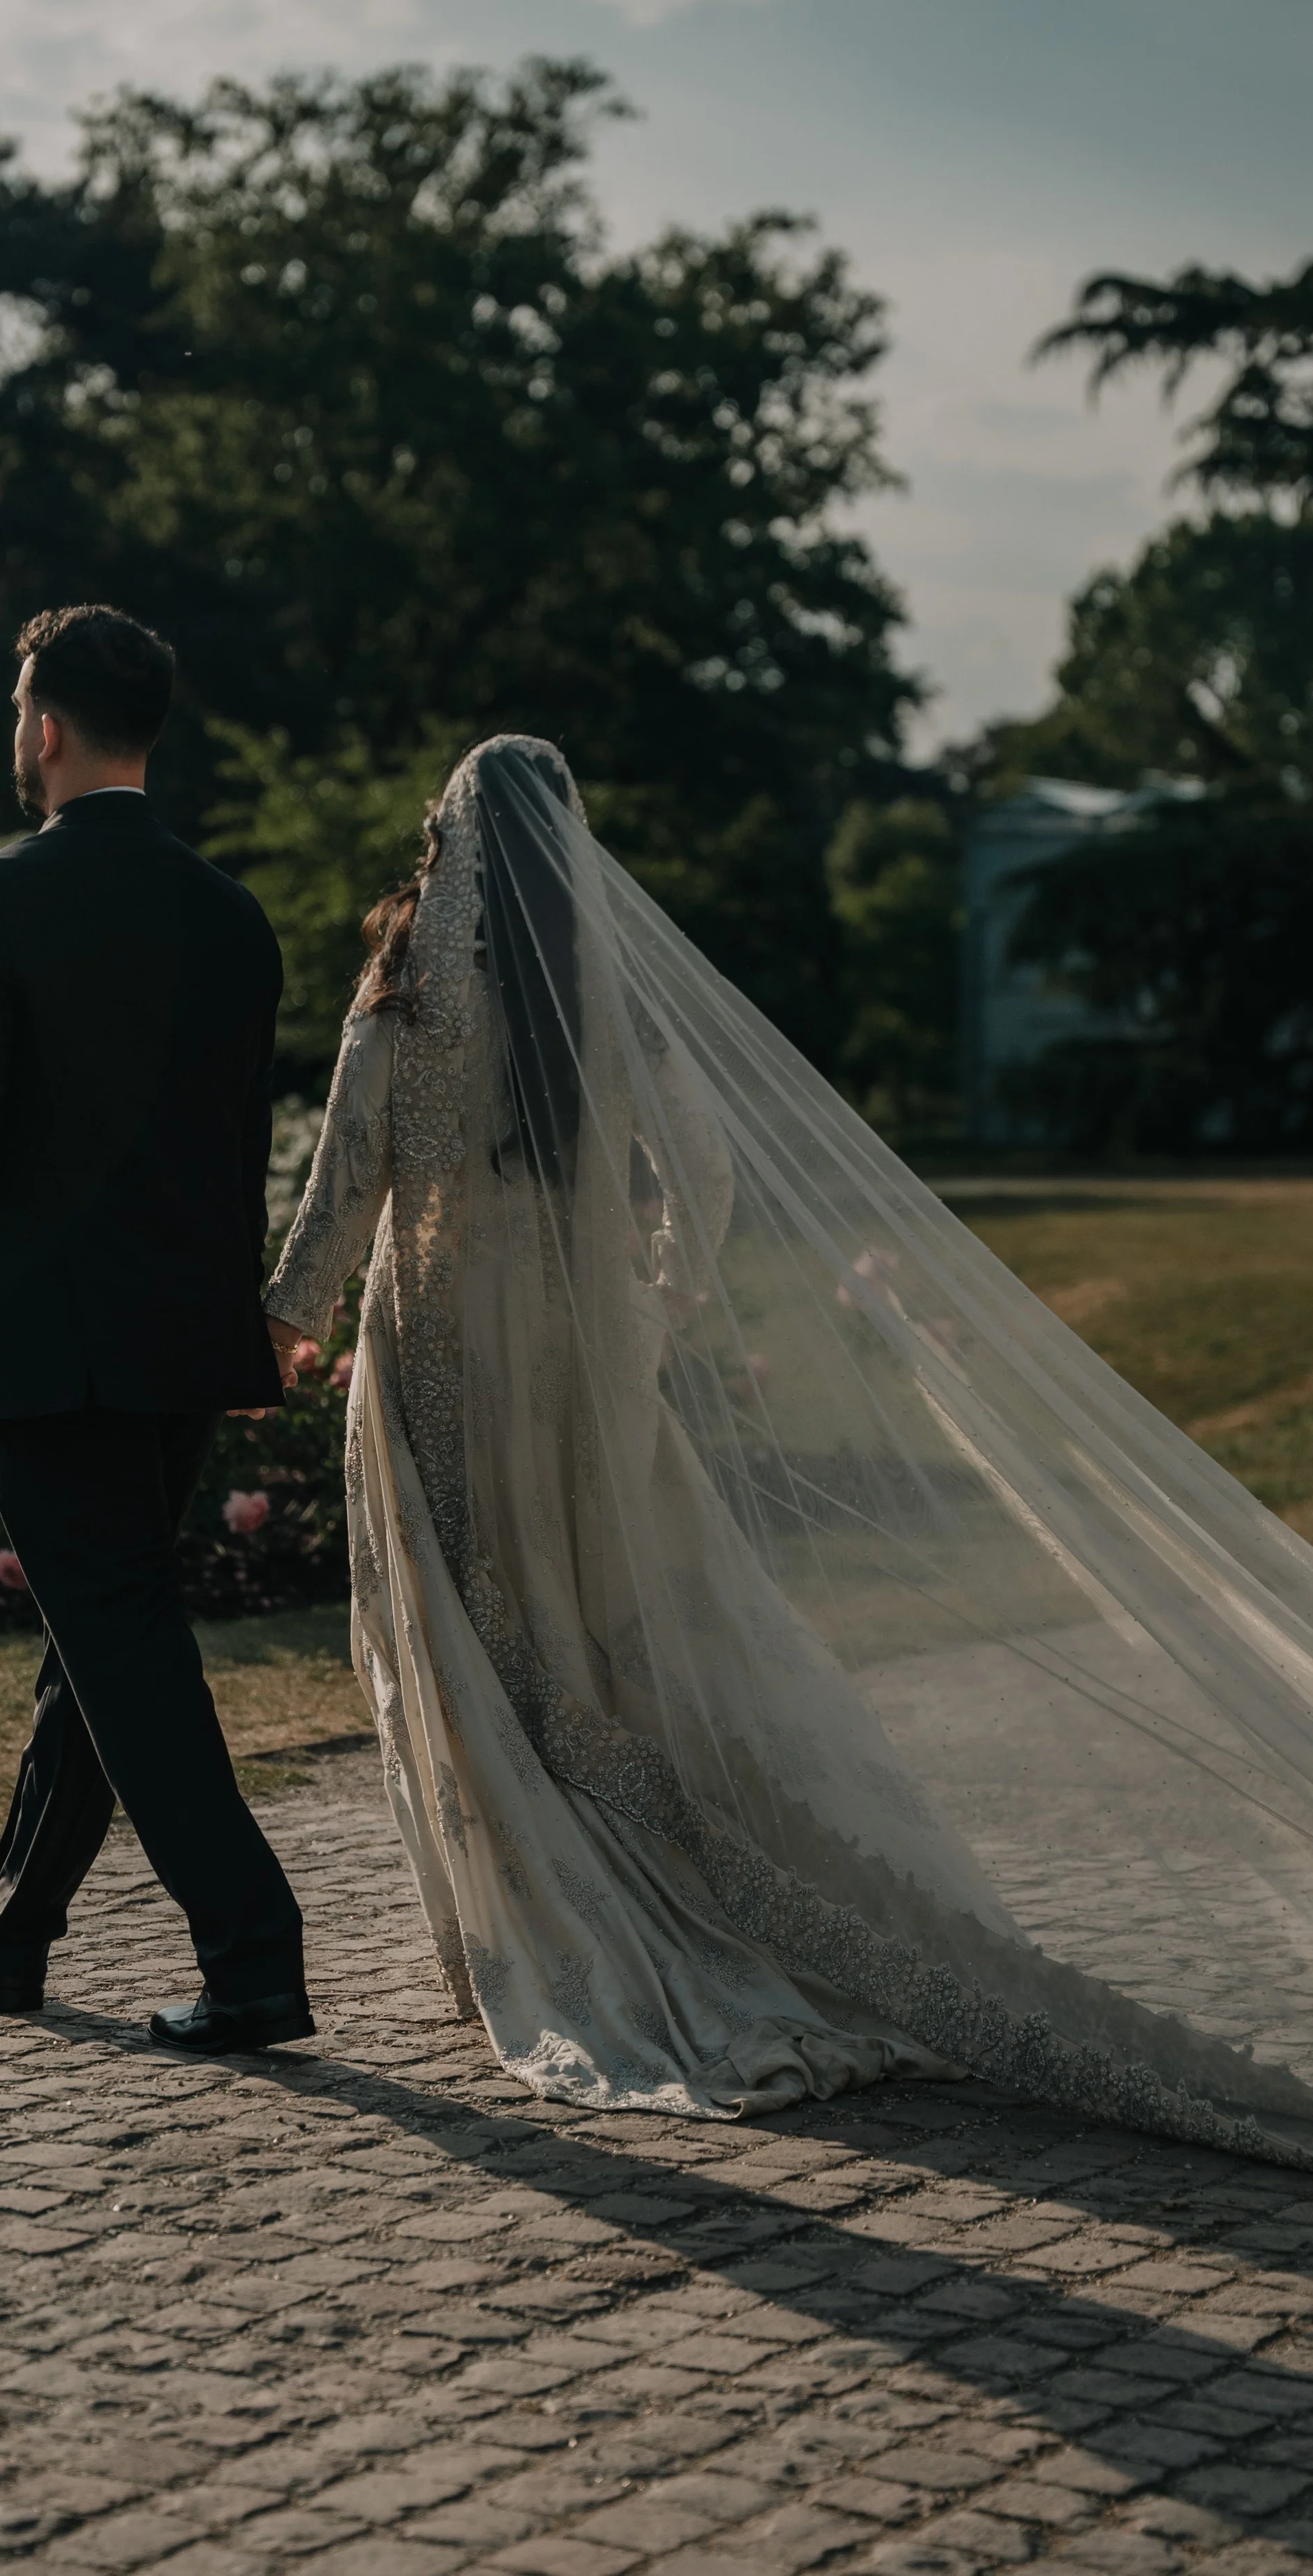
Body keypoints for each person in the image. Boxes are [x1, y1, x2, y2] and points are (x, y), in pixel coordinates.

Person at [265, 732, 1313, 2164]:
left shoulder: (402, 998)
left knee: (468, 1650)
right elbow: (702, 1165)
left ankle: (529, 1922)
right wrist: (664, 1296)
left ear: (447, 837)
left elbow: (339, 1193)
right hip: (585, 1368)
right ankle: (654, 1884)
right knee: (614, 1635)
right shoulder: (604, 995)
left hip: (439, 1367)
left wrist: (278, 1323)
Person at [0, 603, 308, 2053]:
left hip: (54, 1337)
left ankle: (255, 1951)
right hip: (186, 1337)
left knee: (120, 1635)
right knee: (102, 1627)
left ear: (48, 727)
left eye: (20, 709)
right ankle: (12, 1929)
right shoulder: (230, 915)